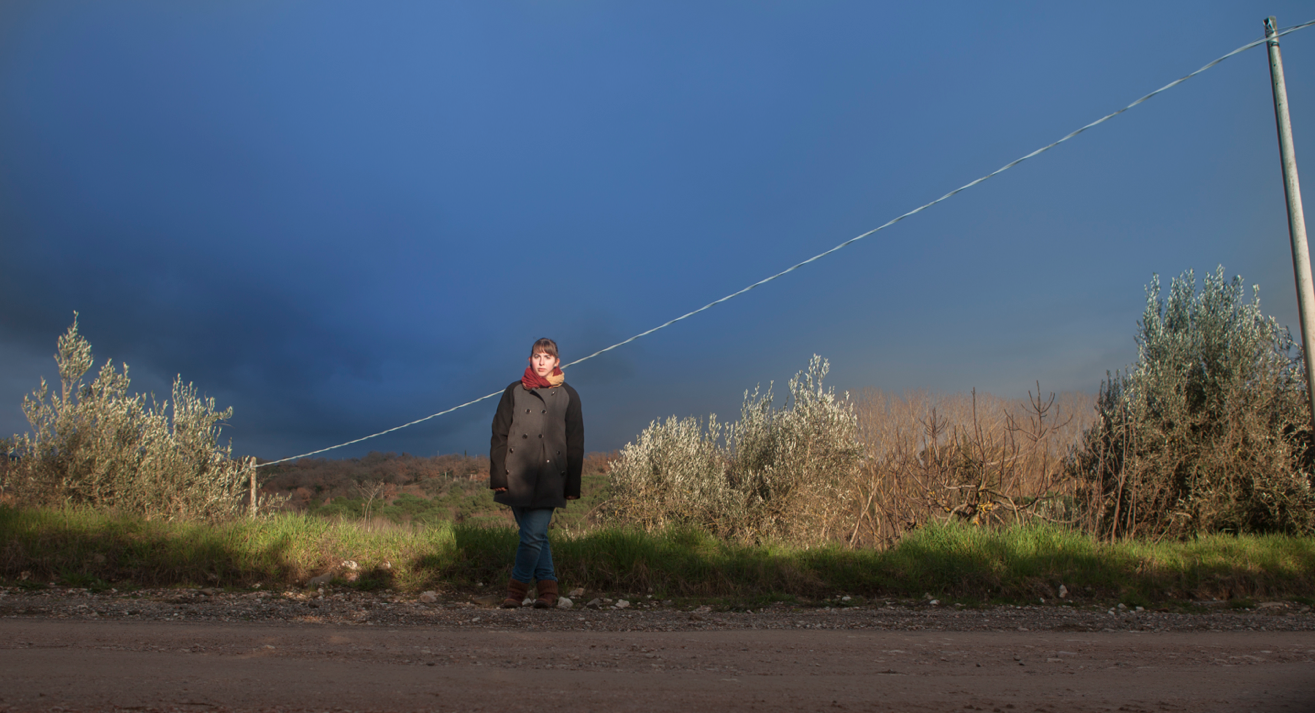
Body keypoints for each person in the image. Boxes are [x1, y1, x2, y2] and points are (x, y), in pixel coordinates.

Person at [489, 338, 584, 608]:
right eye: (536, 356)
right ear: (529, 360)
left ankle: (516, 592)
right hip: (515, 475)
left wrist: (572, 486)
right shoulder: (514, 391)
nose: (541, 361)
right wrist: (498, 476)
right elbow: (499, 434)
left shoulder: (569, 395)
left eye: (547, 356)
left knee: (531, 536)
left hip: (552, 477)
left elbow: (576, 442)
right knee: (536, 537)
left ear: (557, 362)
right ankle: (548, 591)